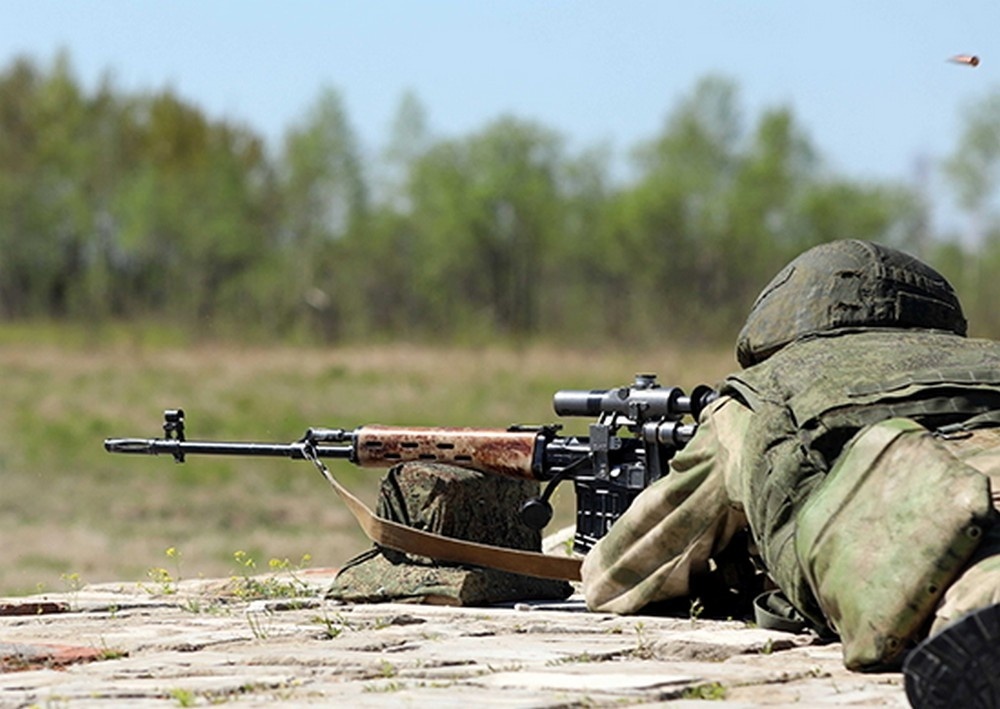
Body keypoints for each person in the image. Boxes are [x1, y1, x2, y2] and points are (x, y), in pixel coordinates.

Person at [580, 239, 1000, 709]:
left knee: (976, 583)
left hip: (958, 549)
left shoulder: (757, 396)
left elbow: (617, 575)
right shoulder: (989, 360)